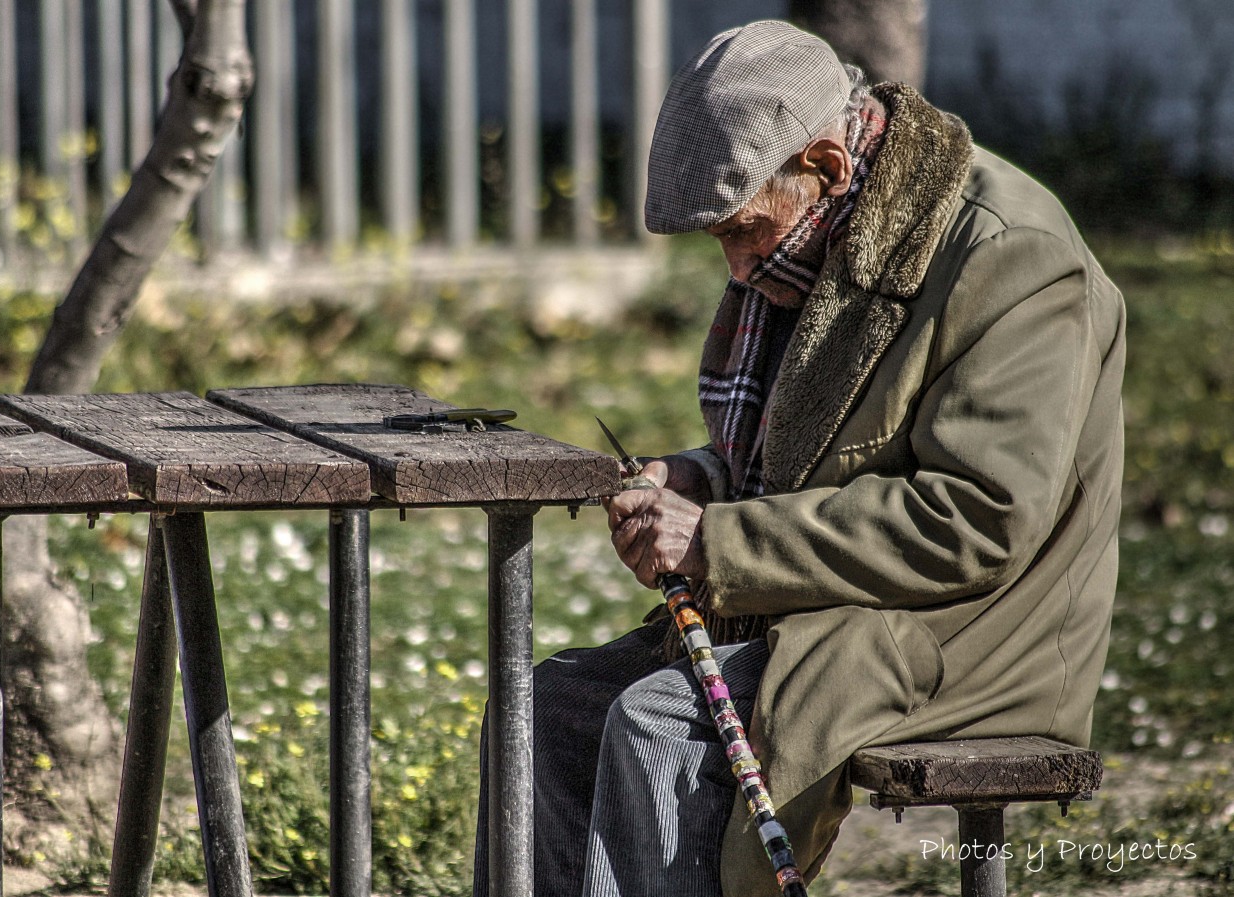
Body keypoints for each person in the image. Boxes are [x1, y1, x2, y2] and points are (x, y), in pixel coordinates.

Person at [475, 19, 1125, 897]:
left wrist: (720, 541)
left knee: (659, 728)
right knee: (543, 711)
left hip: (970, 632)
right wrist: (707, 476)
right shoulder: (823, 231)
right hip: (841, 607)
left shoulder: (1013, 259)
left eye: (743, 231)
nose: (737, 268)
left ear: (824, 164)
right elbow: (824, 450)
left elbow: (977, 519)